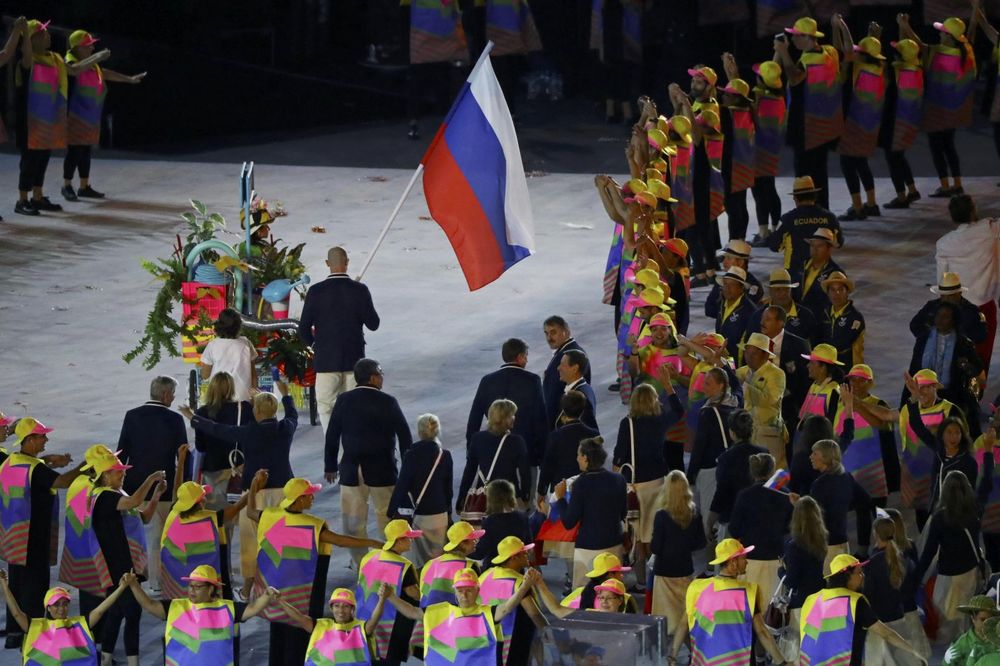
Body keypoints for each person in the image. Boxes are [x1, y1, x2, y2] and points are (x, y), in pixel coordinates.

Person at [246, 476, 382, 665]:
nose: (313, 498)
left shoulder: (269, 516)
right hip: (302, 597)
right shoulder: (312, 525)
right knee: (299, 642)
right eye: (309, 495)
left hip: (274, 594)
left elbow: (251, 512)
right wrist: (372, 542)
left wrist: (253, 487)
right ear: (299, 499)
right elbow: (341, 541)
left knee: (278, 636)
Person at [179, 380, 298, 596]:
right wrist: (286, 394)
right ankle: (282, 585)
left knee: (250, 542)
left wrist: (192, 417)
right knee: (281, 539)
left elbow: (217, 429)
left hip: (255, 494)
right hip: (283, 493)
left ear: (256, 411)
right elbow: (292, 414)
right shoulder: (286, 428)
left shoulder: (248, 432)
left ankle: (246, 590)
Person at [0, 417, 82, 649]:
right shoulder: (37, 470)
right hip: (34, 536)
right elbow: (63, 482)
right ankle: (34, 635)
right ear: (29, 439)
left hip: (13, 536)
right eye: (41, 436)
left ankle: (15, 633)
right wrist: (84, 467)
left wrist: (49, 461)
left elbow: (33, 470)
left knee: (15, 583)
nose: (46, 439)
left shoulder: (10, 462)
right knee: (35, 588)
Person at [14, 19, 110, 216]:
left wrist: (96, 58)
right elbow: (26, 53)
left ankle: (37, 197)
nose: (48, 36)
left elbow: (74, 70)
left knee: (43, 158)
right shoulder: (28, 61)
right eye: (43, 33)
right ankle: (22, 199)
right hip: (29, 120)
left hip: (49, 118)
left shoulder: (55, 58)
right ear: (33, 40)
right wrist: (22, 31)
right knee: (29, 160)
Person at [324, 358, 412, 566]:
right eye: (381, 374)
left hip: (352, 470)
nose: (382, 378)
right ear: (373, 377)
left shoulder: (344, 400)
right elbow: (404, 436)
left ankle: (362, 565)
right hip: (383, 470)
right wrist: (409, 467)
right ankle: (393, 562)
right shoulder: (388, 401)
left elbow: (332, 434)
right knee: (388, 520)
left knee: (353, 521)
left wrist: (330, 465)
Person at [88, 450, 166, 664]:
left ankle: (105, 659)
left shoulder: (118, 493)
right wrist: (150, 479)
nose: (122, 475)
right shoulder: (103, 497)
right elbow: (134, 502)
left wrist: (157, 495)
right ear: (104, 475)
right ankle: (132, 662)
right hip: (118, 566)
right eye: (117, 472)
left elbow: (145, 517)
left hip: (130, 564)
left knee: (117, 613)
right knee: (132, 612)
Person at [124, 566, 279, 665]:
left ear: (211, 589)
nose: (192, 590)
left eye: (197, 587)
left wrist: (266, 595)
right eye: (190, 586)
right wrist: (133, 585)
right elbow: (149, 604)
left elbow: (252, 608)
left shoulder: (227, 608)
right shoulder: (176, 606)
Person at [117, 375, 187, 593]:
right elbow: (182, 456)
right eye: (173, 394)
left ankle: (132, 577)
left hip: (133, 488)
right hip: (162, 489)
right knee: (158, 538)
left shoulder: (131, 416)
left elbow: (122, 453)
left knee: (134, 536)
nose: (173, 398)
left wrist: (120, 487)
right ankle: (156, 582)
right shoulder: (175, 420)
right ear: (166, 395)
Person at [298, 246, 380, 430]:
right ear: (347, 262)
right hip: (354, 362)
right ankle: (352, 448)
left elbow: (303, 328)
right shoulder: (359, 290)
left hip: (326, 361)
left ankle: (333, 449)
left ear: (327, 264)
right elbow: (373, 324)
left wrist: (315, 347)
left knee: (327, 409)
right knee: (353, 409)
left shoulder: (316, 292)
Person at [386, 567, 539, 666]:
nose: (464, 594)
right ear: (455, 593)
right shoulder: (439, 611)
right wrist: (391, 597)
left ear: (478, 591)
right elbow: (412, 611)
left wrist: (524, 586)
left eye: (469, 590)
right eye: (460, 590)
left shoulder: (487, 613)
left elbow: (506, 608)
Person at [672, 538, 789, 664]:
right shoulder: (747, 593)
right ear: (733, 562)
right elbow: (762, 632)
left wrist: (672, 655)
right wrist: (782, 662)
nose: (747, 562)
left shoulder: (698, 588)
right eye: (743, 558)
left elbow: (684, 624)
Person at [61, 29, 145, 201]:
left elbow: (104, 73)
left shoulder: (91, 64)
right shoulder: (70, 61)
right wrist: (98, 57)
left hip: (91, 115)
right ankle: (66, 185)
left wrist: (129, 79)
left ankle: (84, 186)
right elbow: (74, 70)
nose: (91, 49)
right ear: (76, 48)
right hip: (76, 115)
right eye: (88, 46)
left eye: (92, 46)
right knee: (74, 151)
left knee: (85, 151)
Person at [798, 554, 928, 665]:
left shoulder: (813, 599)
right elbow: (886, 634)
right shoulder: (854, 602)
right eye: (859, 572)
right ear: (847, 576)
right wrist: (914, 652)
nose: (863, 576)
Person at [898, 13, 975, 197]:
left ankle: (945, 186)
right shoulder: (966, 51)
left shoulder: (938, 52)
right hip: (954, 112)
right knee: (949, 146)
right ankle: (957, 184)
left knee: (937, 149)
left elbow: (919, 45)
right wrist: (975, 17)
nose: (940, 35)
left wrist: (905, 26)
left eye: (942, 33)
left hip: (935, 111)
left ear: (949, 37)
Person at [159, 470, 266, 602]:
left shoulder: (174, 512)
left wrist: (181, 459)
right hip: (204, 579)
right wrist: (254, 487)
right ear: (198, 503)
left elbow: (176, 489)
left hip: (178, 581)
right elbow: (237, 508)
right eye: (203, 496)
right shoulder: (210, 519)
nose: (206, 498)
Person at [773, 17, 844, 210]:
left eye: (797, 36)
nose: (794, 39)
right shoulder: (829, 53)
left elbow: (794, 78)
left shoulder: (809, 60)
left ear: (809, 37)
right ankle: (822, 212)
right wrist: (839, 27)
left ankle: (806, 215)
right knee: (820, 174)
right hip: (826, 127)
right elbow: (841, 49)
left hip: (807, 127)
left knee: (805, 176)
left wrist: (782, 51)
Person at [612, 383, 674, 583]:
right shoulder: (660, 421)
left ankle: (640, 579)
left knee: (637, 532)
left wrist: (616, 479)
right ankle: (654, 573)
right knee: (653, 529)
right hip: (657, 482)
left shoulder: (626, 423)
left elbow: (619, 454)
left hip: (635, 484)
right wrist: (669, 387)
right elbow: (679, 410)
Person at [465, 338, 547, 487]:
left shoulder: (487, 381)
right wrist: (542, 455)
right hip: (525, 455)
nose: (527, 360)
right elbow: (540, 420)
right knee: (523, 504)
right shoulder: (532, 381)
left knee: (491, 504)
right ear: (520, 357)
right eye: (526, 356)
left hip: (490, 454)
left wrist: (472, 450)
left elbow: (474, 419)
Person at [0, 573, 130, 666]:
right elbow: (16, 613)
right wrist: (4, 585)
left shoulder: (79, 624)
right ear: (48, 608)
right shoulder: (35, 626)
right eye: (56, 604)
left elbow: (101, 610)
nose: (61, 609)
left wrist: (122, 588)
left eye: (65, 604)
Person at [916, 471, 984, 644]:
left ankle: (954, 653)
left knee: (949, 618)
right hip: (971, 571)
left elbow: (929, 553)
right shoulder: (974, 510)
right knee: (967, 615)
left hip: (950, 576)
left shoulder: (940, 518)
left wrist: (915, 577)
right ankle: (969, 646)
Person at [830, 18, 886, 221]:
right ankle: (872, 204)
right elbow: (866, 52)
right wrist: (874, 38)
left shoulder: (858, 67)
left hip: (854, 123)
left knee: (847, 164)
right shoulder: (879, 67)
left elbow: (845, 49)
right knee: (861, 162)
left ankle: (858, 207)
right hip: (871, 124)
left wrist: (842, 25)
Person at [936, 195, 1000, 373]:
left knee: (958, 353)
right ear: (974, 210)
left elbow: (942, 282)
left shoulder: (944, 243)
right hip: (985, 306)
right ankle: (977, 390)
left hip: (957, 308)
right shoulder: (989, 230)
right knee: (982, 354)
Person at [553, 437, 627, 586]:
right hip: (614, 544)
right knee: (613, 592)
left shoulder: (580, 484)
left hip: (589, 548)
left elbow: (569, 522)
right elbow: (623, 513)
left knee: (585, 597)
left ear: (585, 458)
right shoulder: (619, 479)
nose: (577, 458)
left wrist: (560, 499)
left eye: (578, 455)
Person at [899, 369, 967, 523]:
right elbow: (907, 438)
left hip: (943, 472)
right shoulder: (908, 409)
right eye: (917, 387)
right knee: (922, 517)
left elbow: (963, 442)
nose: (920, 391)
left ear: (935, 387)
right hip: (918, 473)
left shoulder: (950, 410)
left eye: (924, 387)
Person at [796, 437, 873, 573]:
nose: (810, 457)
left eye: (815, 453)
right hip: (843, 546)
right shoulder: (846, 477)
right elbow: (866, 502)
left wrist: (799, 504)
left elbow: (813, 519)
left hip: (826, 550)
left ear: (826, 457)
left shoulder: (820, 485)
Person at [907, 304, 984, 437]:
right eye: (938, 315)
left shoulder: (963, 343)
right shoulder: (924, 339)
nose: (940, 319)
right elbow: (915, 365)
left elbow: (977, 368)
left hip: (952, 393)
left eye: (946, 317)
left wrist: (965, 366)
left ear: (953, 320)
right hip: (925, 390)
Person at [388, 413, 453, 567]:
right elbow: (448, 489)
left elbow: (402, 485)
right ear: (437, 431)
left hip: (418, 515)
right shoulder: (445, 455)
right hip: (439, 514)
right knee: (437, 559)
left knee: (417, 560)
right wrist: (449, 513)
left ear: (419, 432)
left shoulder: (411, 455)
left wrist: (391, 511)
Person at [356, 519, 422, 666]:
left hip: (365, 619)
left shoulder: (369, 557)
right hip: (391, 626)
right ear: (399, 540)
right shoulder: (403, 565)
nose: (412, 540)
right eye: (409, 537)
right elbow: (413, 593)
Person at [729, 453, 793, 602]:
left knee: (751, 606)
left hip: (750, 561)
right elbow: (791, 526)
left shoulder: (745, 495)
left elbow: (734, 529)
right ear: (772, 471)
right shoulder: (785, 494)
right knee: (773, 607)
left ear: (752, 472)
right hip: (777, 558)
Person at [650, 470, 706, 637]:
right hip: (685, 569)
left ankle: (667, 656)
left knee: (664, 620)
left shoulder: (661, 516)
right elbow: (700, 543)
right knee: (685, 617)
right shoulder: (694, 514)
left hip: (664, 572)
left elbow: (655, 547)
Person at [478, 536, 546, 665]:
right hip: (514, 641)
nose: (528, 554)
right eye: (523, 552)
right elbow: (534, 613)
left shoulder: (486, 575)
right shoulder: (519, 582)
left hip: (487, 637)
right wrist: (547, 630)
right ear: (514, 557)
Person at [192, 371, 253, 515]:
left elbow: (200, 446)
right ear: (232, 388)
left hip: (212, 472)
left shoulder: (202, 413)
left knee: (215, 518)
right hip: (238, 470)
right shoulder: (244, 408)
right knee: (238, 514)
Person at [280, 586, 387, 666]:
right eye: (336, 606)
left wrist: (382, 600)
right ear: (331, 608)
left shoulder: (360, 628)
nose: (340, 610)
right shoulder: (320, 625)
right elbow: (298, 617)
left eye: (346, 606)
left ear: (352, 609)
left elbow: (374, 619)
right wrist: (280, 600)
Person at [836, 365, 897, 504]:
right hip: (849, 467)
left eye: (861, 380)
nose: (856, 384)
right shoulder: (840, 403)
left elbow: (881, 424)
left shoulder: (879, 404)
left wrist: (855, 405)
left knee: (875, 511)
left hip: (874, 470)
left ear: (870, 383)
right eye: (853, 380)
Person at [457, 399, 530, 512]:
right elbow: (525, 473)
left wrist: (461, 498)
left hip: (484, 498)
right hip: (509, 498)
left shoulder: (477, 439)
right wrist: (525, 497)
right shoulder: (517, 442)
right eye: (511, 415)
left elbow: (469, 471)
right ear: (503, 419)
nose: (514, 418)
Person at [863, 517, 917, 664]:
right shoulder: (904, 560)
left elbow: (867, 595)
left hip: (879, 624)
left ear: (876, 534)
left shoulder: (871, 565)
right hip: (899, 620)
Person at [708, 410, 767, 540]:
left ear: (732, 433)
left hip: (731, 519)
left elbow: (721, 493)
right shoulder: (764, 454)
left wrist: (709, 523)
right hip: (759, 519)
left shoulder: (726, 458)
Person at [781, 496, 828, 660]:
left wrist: (781, 571)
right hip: (819, 599)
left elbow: (792, 581)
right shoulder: (821, 540)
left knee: (800, 651)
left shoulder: (794, 545)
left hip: (801, 603)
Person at [767, 177, 842, 278]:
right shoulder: (830, 218)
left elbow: (775, 246)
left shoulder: (788, 219)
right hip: (823, 274)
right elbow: (839, 243)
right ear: (814, 196)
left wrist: (769, 236)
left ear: (796, 198)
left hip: (794, 275)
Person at [912, 271, 990, 365]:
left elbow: (981, 335)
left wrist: (960, 341)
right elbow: (915, 324)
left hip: (958, 360)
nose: (946, 299)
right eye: (943, 295)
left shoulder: (972, 312)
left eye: (950, 296)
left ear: (959, 293)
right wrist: (930, 338)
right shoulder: (931, 306)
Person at [881, 37, 923, 209]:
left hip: (895, 122)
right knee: (899, 157)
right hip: (909, 122)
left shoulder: (899, 74)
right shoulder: (916, 69)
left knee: (893, 159)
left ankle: (901, 196)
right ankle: (912, 190)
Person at [749, 60, 787, 246]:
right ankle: (774, 229)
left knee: (759, 192)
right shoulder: (779, 99)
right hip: (772, 151)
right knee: (770, 189)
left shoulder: (761, 100)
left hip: (758, 152)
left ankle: (763, 233)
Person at [717, 65, 756, 243]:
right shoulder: (748, 111)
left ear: (735, 98)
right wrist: (732, 73)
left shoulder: (729, 114)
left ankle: (734, 243)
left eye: (726, 94)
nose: (722, 96)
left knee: (734, 208)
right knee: (740, 205)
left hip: (732, 168)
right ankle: (740, 240)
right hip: (745, 166)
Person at [761, 304, 812, 439]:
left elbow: (805, 380)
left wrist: (797, 409)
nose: (762, 322)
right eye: (763, 318)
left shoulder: (799, 345)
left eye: (768, 319)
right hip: (763, 408)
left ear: (780, 323)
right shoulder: (757, 342)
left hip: (789, 409)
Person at [538, 391, 600, 502]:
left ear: (563, 410)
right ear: (582, 409)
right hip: (588, 487)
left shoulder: (555, 436)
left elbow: (547, 465)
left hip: (561, 488)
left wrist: (541, 491)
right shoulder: (593, 434)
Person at [735, 332, 786, 465]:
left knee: (773, 475)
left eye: (754, 354)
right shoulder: (741, 372)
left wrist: (745, 386)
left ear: (766, 355)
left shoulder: (777, 374)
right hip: (746, 434)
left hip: (768, 434)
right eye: (747, 353)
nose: (749, 357)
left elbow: (770, 400)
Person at [418, 521, 484, 609]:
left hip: (429, 617)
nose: (476, 541)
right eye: (473, 539)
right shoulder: (470, 566)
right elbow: (476, 597)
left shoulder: (431, 563)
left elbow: (424, 594)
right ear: (462, 543)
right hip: (453, 618)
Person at [199, 308, 258, 402]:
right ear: (238, 326)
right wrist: (254, 396)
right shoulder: (246, 343)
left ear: (218, 326)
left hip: (219, 398)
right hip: (243, 398)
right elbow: (253, 374)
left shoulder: (213, 345)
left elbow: (205, 375)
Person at [471, 480, 531, 566]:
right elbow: (528, 545)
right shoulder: (523, 517)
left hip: (493, 569)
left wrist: (462, 550)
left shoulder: (490, 522)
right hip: (516, 568)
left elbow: (480, 553)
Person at [542, 316, 590, 425]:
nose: (549, 337)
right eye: (546, 333)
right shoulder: (566, 352)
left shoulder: (569, 355)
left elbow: (556, 394)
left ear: (567, 332)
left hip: (564, 423)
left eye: (553, 332)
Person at [751, 268, 820, 344]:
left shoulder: (806, 316)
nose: (783, 293)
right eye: (778, 290)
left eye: (786, 289)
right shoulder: (758, 316)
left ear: (791, 290)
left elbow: (814, 346)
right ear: (770, 291)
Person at [560, 552, 639, 613]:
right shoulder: (621, 599)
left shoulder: (582, 592)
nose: (621, 575)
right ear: (610, 575)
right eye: (619, 572)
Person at [704, 240, 764, 319]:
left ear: (740, 262)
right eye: (724, 258)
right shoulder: (723, 280)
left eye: (728, 258)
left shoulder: (753, 286)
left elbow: (743, 312)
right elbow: (708, 309)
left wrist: (721, 310)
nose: (724, 262)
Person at [796, 228, 847, 318]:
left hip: (819, 322)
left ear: (829, 249)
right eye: (812, 245)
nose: (815, 250)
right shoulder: (801, 266)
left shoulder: (835, 273)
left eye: (819, 246)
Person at [819, 271, 865, 367]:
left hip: (847, 369)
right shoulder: (824, 314)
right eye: (832, 290)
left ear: (847, 292)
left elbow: (843, 342)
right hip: (826, 366)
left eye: (841, 289)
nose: (837, 293)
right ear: (828, 293)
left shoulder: (855, 317)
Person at [712, 266, 756, 361]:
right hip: (721, 357)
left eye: (732, 285)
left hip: (737, 362)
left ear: (741, 288)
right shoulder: (721, 303)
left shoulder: (750, 311)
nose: (727, 288)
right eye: (725, 284)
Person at [945, 595, 1000, 666]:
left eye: (990, 619)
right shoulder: (963, 642)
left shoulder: (997, 639)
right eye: (983, 619)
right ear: (973, 619)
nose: (987, 623)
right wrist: (947, 661)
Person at [557, 349, 597, 430]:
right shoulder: (581, 388)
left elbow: (586, 431)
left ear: (575, 369)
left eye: (563, 365)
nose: (558, 368)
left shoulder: (581, 396)